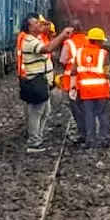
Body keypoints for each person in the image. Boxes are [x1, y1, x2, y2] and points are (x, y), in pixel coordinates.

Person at [17, 14, 73, 153]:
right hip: (36, 81)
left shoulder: (35, 38)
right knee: (37, 111)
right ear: (29, 28)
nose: (39, 24)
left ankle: (37, 137)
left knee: (45, 110)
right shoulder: (29, 41)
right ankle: (34, 142)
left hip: (41, 81)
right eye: (36, 23)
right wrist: (62, 36)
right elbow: (47, 49)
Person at [73, 27, 110, 148]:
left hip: (86, 91)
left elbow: (74, 71)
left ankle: (90, 140)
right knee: (104, 116)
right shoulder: (103, 53)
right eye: (101, 41)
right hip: (101, 90)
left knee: (89, 115)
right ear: (97, 41)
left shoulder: (79, 53)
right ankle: (104, 139)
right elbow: (107, 72)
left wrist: (73, 87)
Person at [59, 20, 91, 144]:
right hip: (88, 81)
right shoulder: (89, 40)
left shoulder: (69, 43)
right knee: (88, 108)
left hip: (73, 83)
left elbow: (62, 60)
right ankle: (90, 132)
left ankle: (83, 133)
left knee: (77, 109)